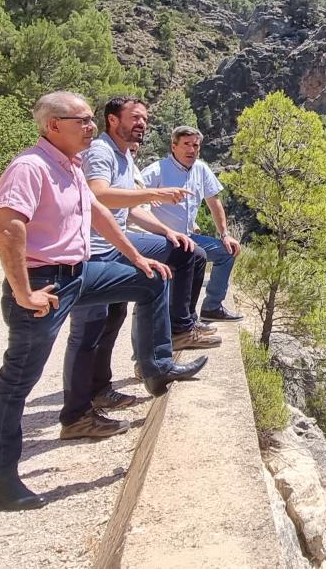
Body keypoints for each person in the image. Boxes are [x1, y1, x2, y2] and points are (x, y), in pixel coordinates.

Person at [0, 91, 207, 511]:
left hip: (80, 273)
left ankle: (157, 367)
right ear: (53, 126)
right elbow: (9, 227)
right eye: (82, 121)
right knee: (18, 379)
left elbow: (97, 214)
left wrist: (137, 257)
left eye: (91, 120)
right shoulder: (30, 167)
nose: (90, 127)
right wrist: (22, 292)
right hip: (44, 282)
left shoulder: (68, 166)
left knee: (150, 281)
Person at [61, 97, 220, 442]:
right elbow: (100, 196)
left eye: (145, 119)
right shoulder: (102, 152)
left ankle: (171, 335)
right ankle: (77, 412)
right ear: (112, 119)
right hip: (93, 252)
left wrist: (167, 231)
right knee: (90, 328)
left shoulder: (125, 156)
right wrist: (156, 194)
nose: (142, 124)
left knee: (185, 252)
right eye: (134, 118)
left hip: (114, 246)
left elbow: (130, 211)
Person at [142, 126, 244, 322]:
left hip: (188, 236)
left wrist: (225, 235)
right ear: (174, 147)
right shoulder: (156, 171)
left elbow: (214, 202)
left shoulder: (201, 169)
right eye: (186, 144)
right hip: (161, 239)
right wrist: (148, 199)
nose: (191, 150)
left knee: (227, 252)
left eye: (195, 145)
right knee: (194, 259)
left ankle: (212, 307)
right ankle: (182, 322)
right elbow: (132, 199)